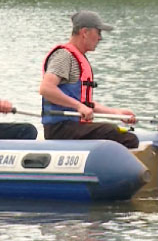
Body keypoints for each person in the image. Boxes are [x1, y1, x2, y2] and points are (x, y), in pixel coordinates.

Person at [39, 10, 139, 149]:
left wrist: (116, 113)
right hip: (60, 129)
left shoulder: (77, 57)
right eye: (98, 32)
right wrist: (79, 106)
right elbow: (46, 89)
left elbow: (85, 103)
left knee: (123, 133)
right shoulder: (64, 56)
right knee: (121, 136)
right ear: (85, 32)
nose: (100, 38)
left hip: (74, 126)